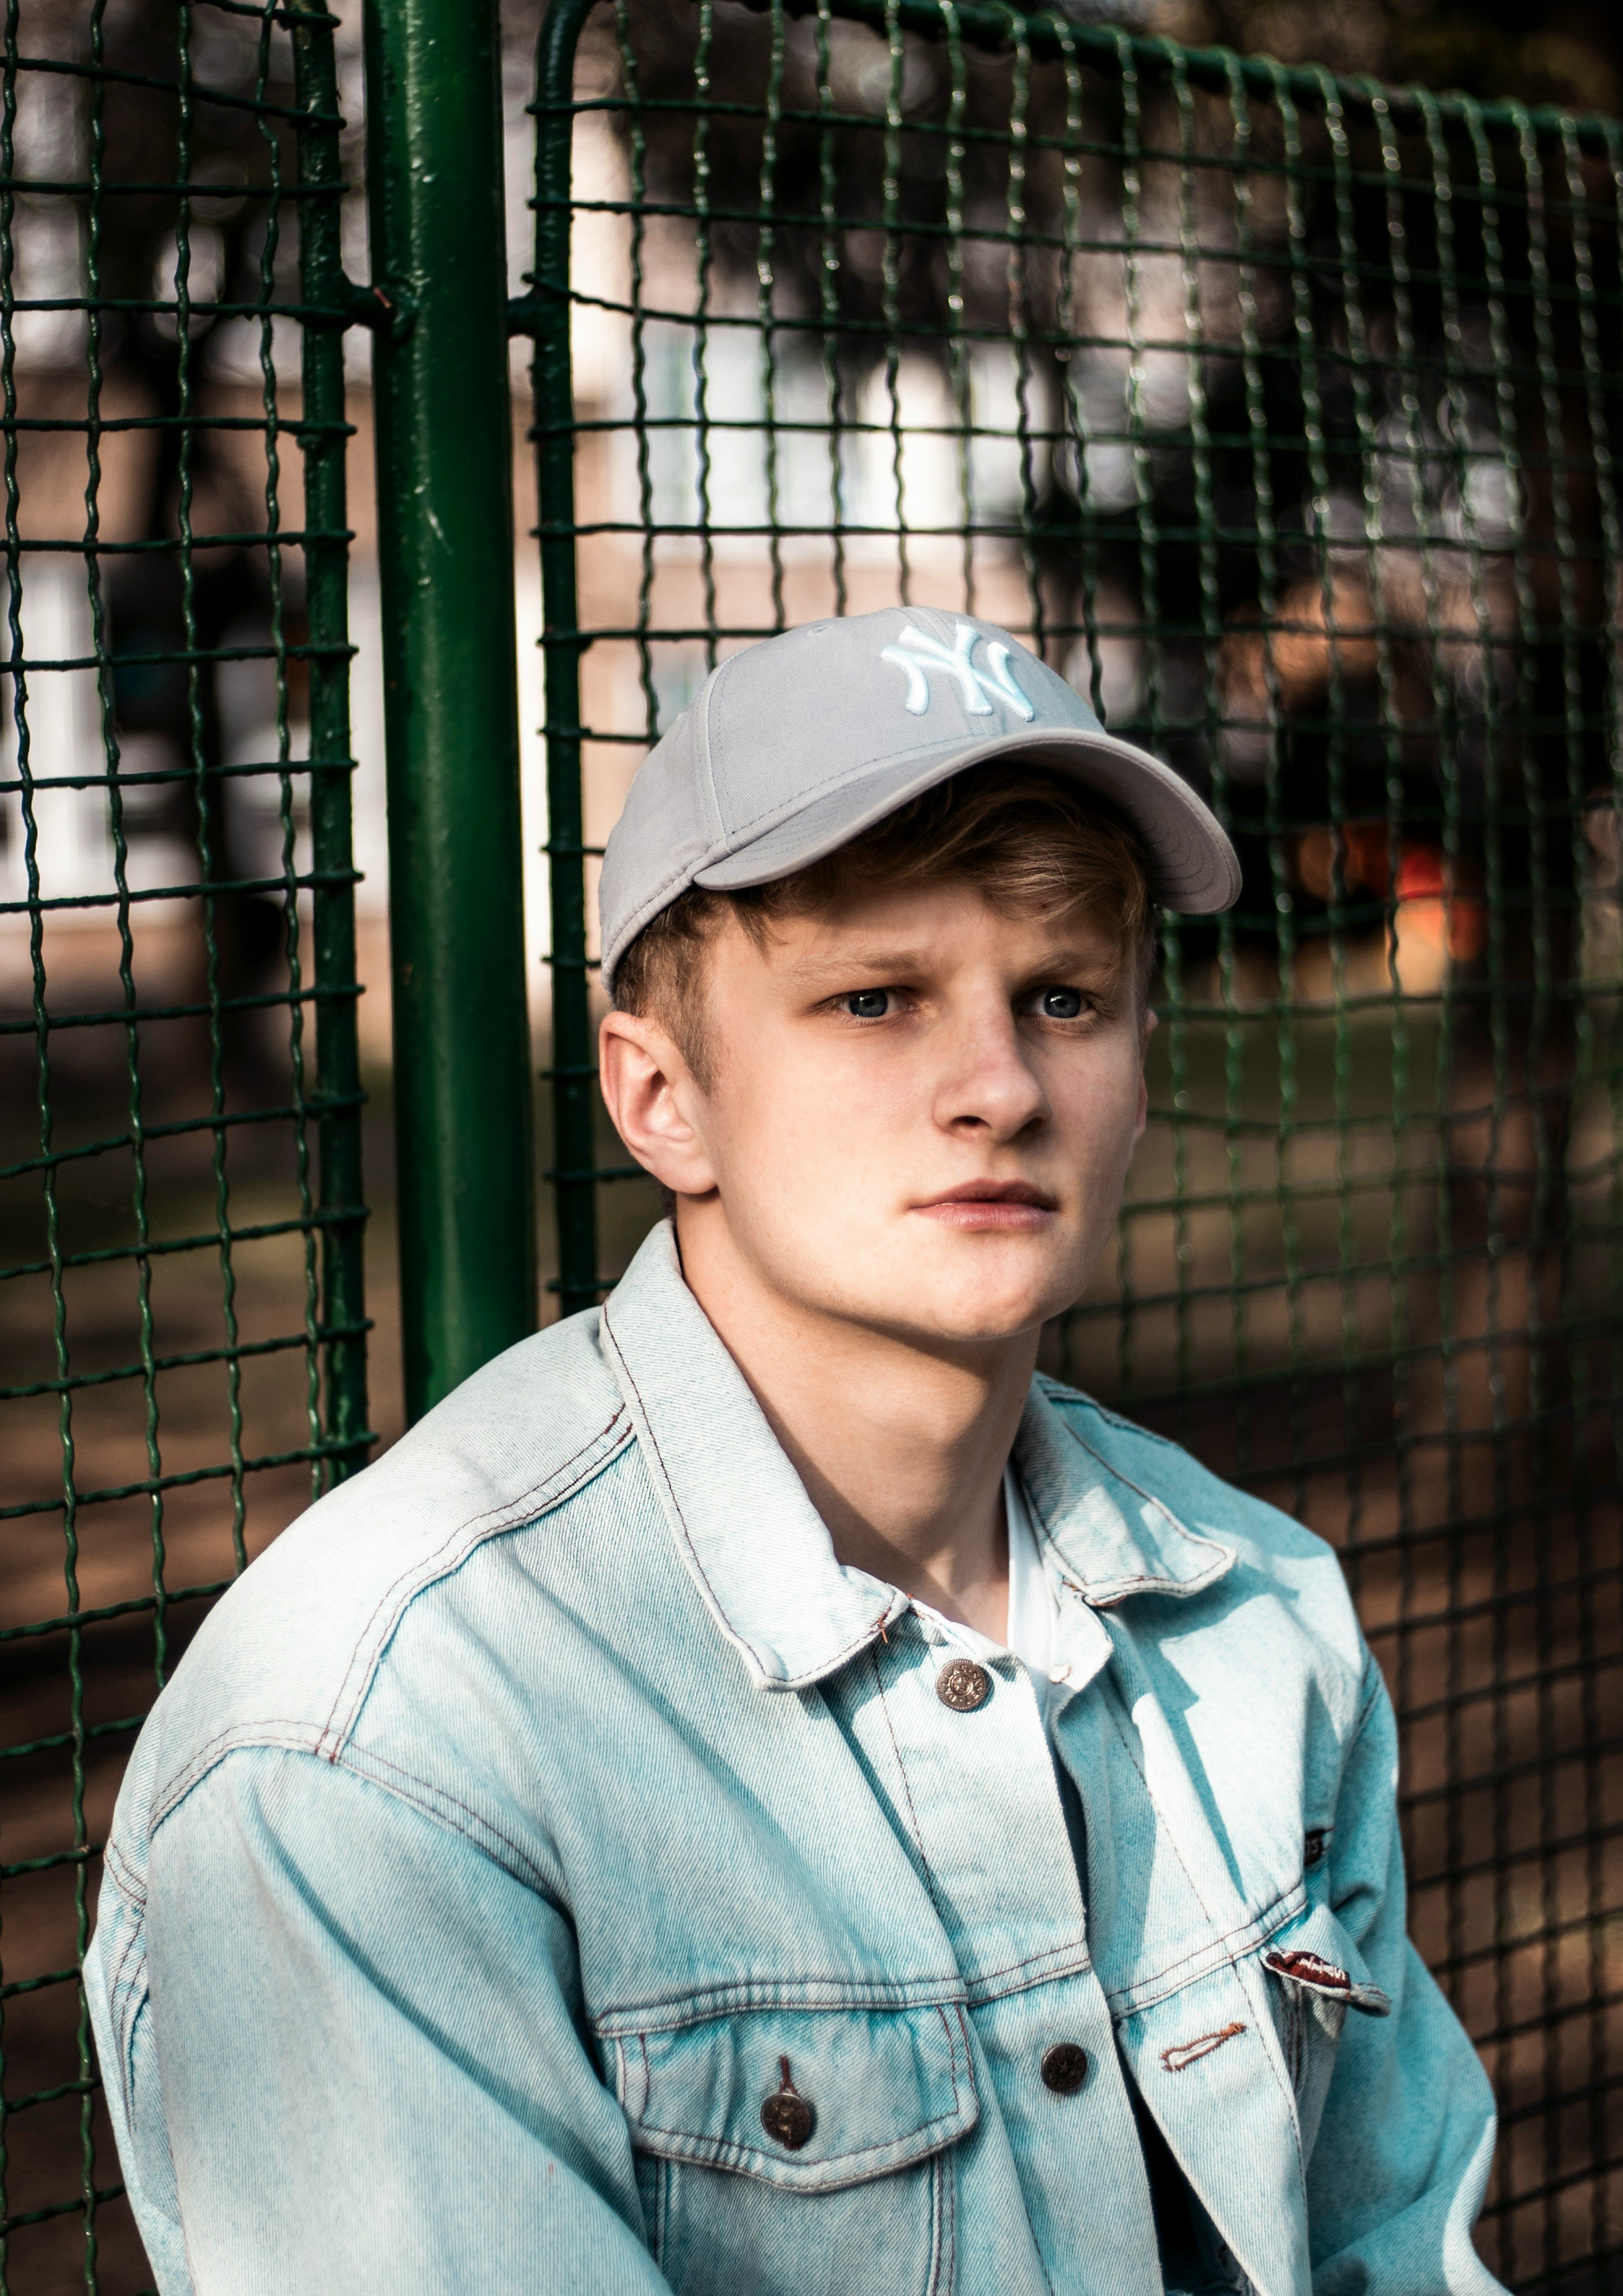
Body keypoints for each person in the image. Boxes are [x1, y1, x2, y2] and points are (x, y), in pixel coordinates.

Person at [87, 607, 1501, 2295]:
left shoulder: (1259, 1620)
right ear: (658, 1093)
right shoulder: (378, 1744)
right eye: (875, 997)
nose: (997, 1084)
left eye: (1063, 994)